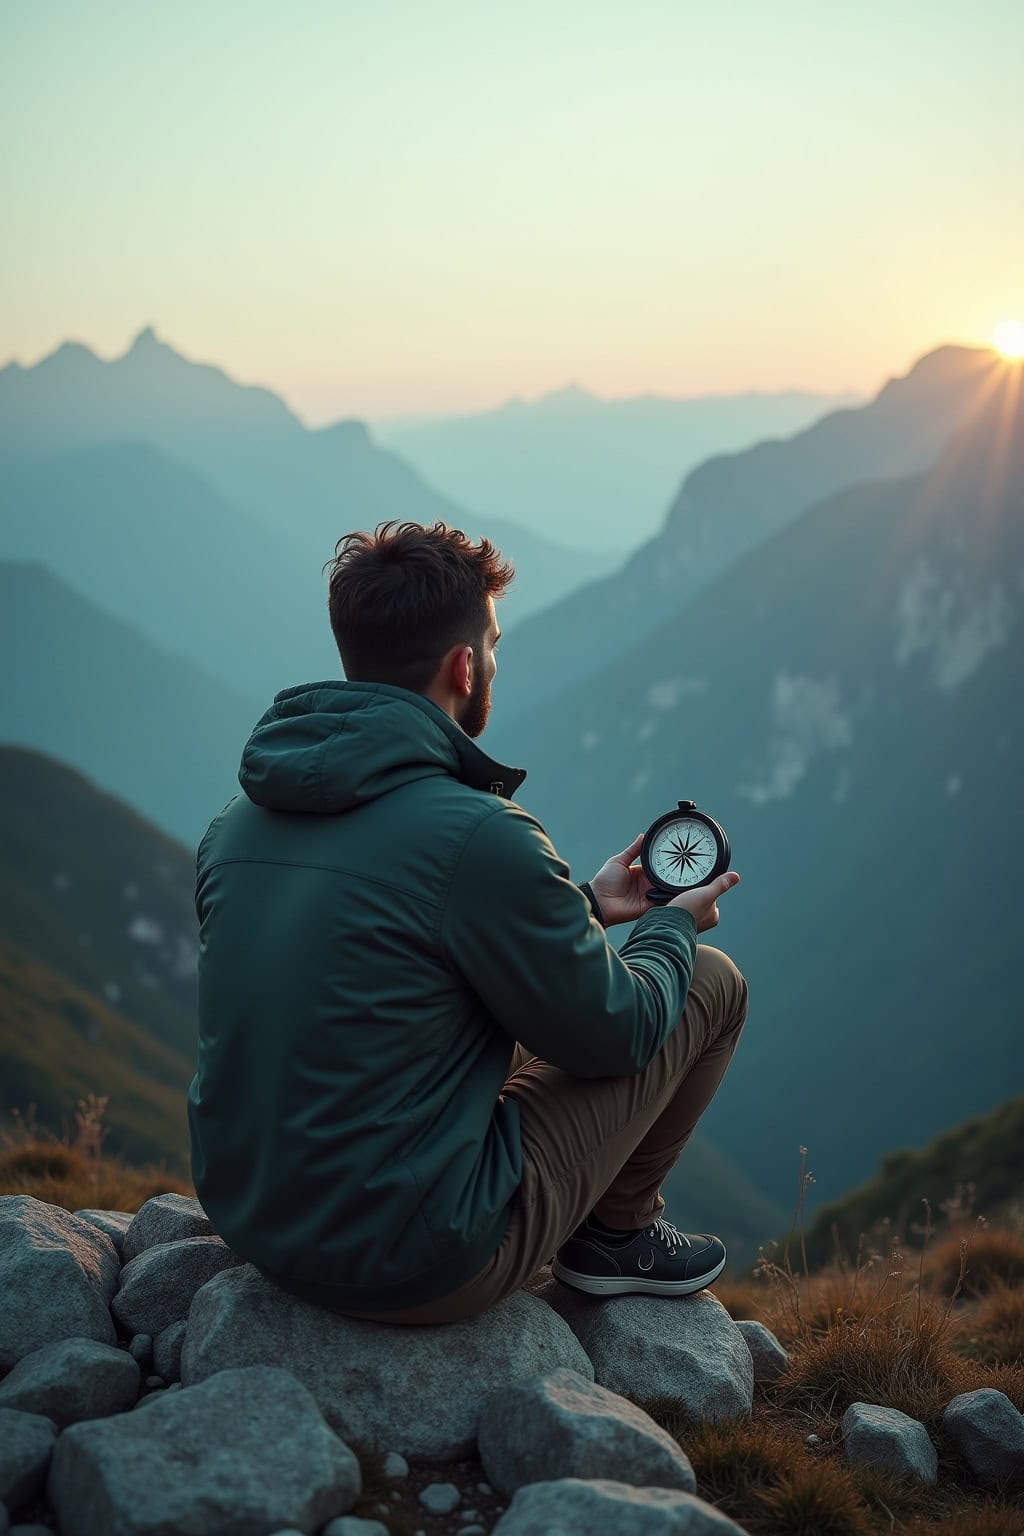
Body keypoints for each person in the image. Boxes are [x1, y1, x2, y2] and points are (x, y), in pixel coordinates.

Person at [187, 519, 748, 1325]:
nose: (492, 660)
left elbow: (378, 963)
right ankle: (618, 1239)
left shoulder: (234, 826)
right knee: (709, 984)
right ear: (463, 665)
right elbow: (616, 1033)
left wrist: (581, 908)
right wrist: (672, 928)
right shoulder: (480, 835)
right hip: (415, 1258)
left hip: (257, 1223)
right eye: (491, 641)